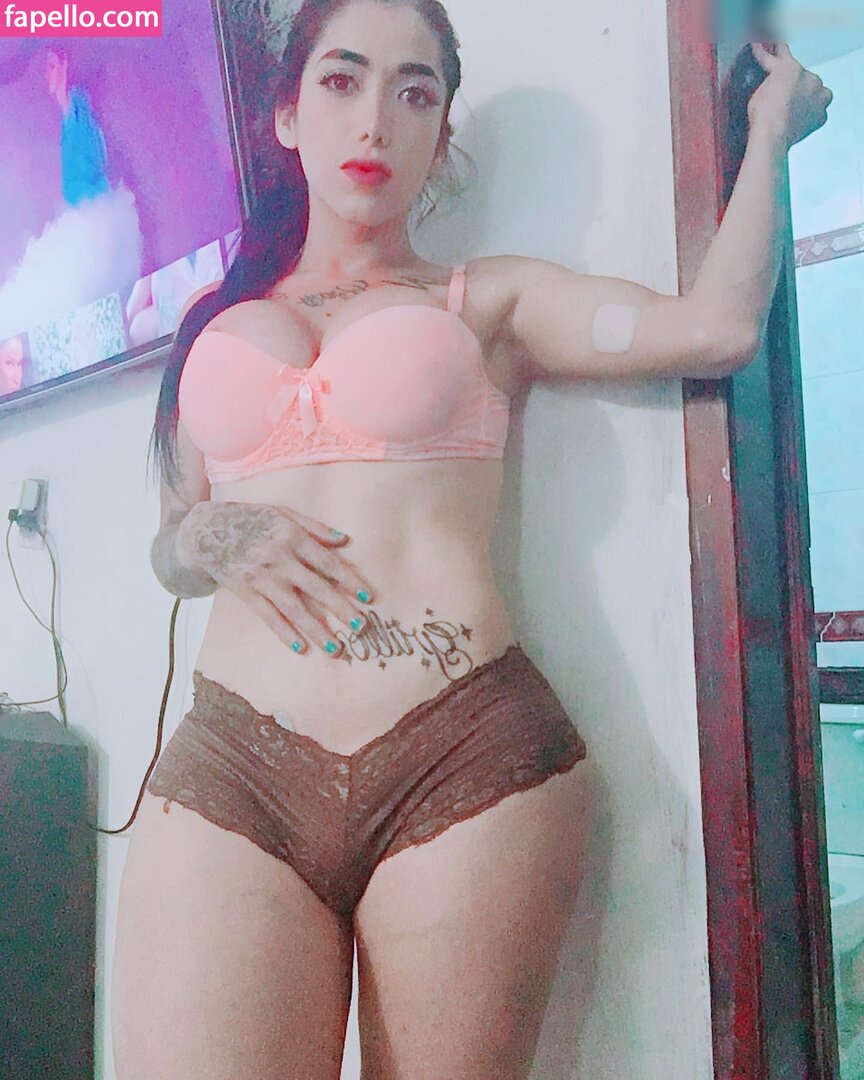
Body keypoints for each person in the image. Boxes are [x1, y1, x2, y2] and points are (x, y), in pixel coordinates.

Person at [110, 1, 832, 1076]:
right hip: (233, 770)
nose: (377, 121)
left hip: (460, 762)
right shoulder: (211, 323)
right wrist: (211, 536)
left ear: (442, 133)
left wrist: (771, 134)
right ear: (287, 116)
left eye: (415, 93)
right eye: (343, 80)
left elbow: (717, 329)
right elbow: (170, 542)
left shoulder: (488, 300)